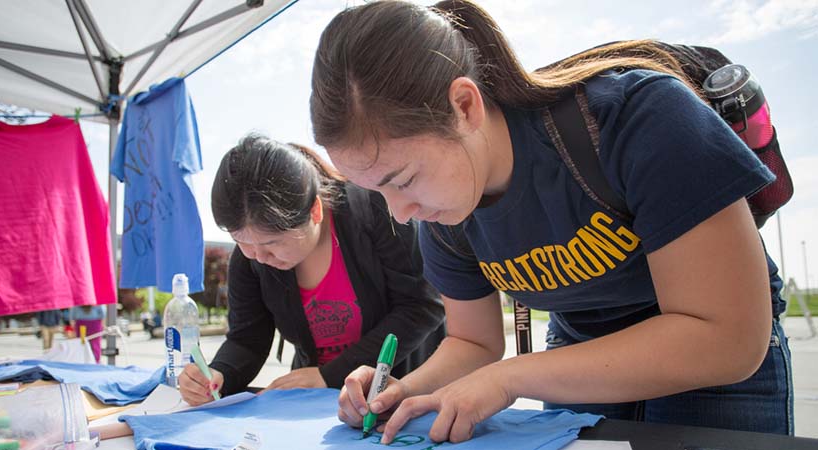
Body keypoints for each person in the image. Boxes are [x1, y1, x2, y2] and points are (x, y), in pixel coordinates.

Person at [310, 0, 792, 443]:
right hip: (577, 354)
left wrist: (510, 377)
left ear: (464, 106)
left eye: (405, 179)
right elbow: (473, 340)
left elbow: (727, 337)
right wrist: (401, 389)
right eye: (378, 192)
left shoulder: (638, 118)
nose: (399, 213)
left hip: (710, 365)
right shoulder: (441, 212)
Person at [177, 134, 446, 406]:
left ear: (315, 211)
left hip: (402, 390)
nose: (258, 256)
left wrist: (330, 375)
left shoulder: (376, 210)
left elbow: (422, 306)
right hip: (315, 401)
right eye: (241, 242)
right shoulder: (250, 257)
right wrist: (219, 372)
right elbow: (248, 339)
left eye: (273, 243)